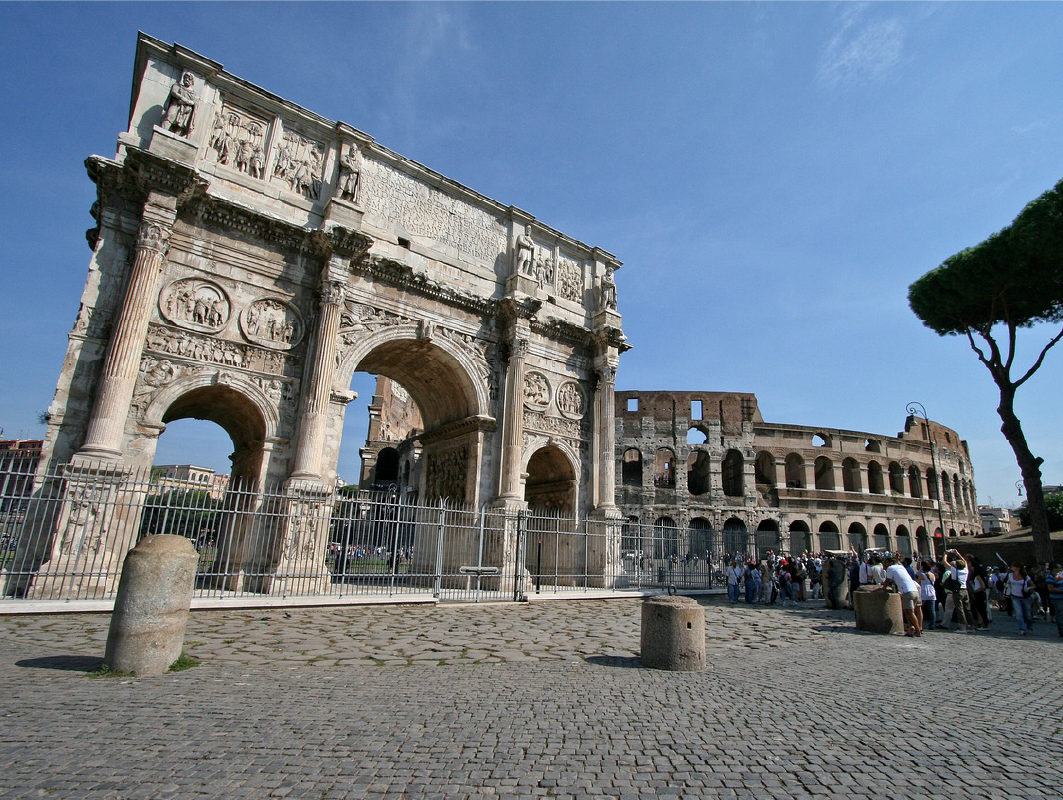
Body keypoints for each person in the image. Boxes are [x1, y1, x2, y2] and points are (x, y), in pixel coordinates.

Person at [882, 555, 923, 636]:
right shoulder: (901, 567)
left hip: (907, 591)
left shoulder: (891, 568)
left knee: (910, 613)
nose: (885, 564)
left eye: (886, 562)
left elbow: (887, 580)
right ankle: (911, 628)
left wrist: (883, 588)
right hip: (915, 590)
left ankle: (917, 631)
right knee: (909, 612)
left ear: (890, 562)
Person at [1007, 562, 1035, 636]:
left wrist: (1028, 588)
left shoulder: (1026, 576)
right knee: (1019, 614)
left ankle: (1029, 628)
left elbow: (1033, 585)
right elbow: (1008, 584)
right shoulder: (1010, 575)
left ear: (1018, 567)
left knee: (1028, 614)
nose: (1011, 568)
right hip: (1014, 596)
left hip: (1025, 597)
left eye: (1013, 566)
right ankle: (1022, 629)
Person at [967, 555, 991, 630]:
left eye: (971, 567)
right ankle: (978, 623)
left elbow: (982, 586)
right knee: (978, 609)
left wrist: (975, 591)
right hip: (979, 594)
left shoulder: (978, 576)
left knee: (981, 610)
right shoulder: (977, 576)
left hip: (979, 594)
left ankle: (985, 624)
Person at [1045, 562, 1063, 638]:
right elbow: (1050, 588)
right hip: (1056, 599)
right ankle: (1061, 631)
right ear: (1054, 568)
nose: (1061, 569)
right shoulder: (1050, 577)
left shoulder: (1059, 576)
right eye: (1059, 567)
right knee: (1060, 615)